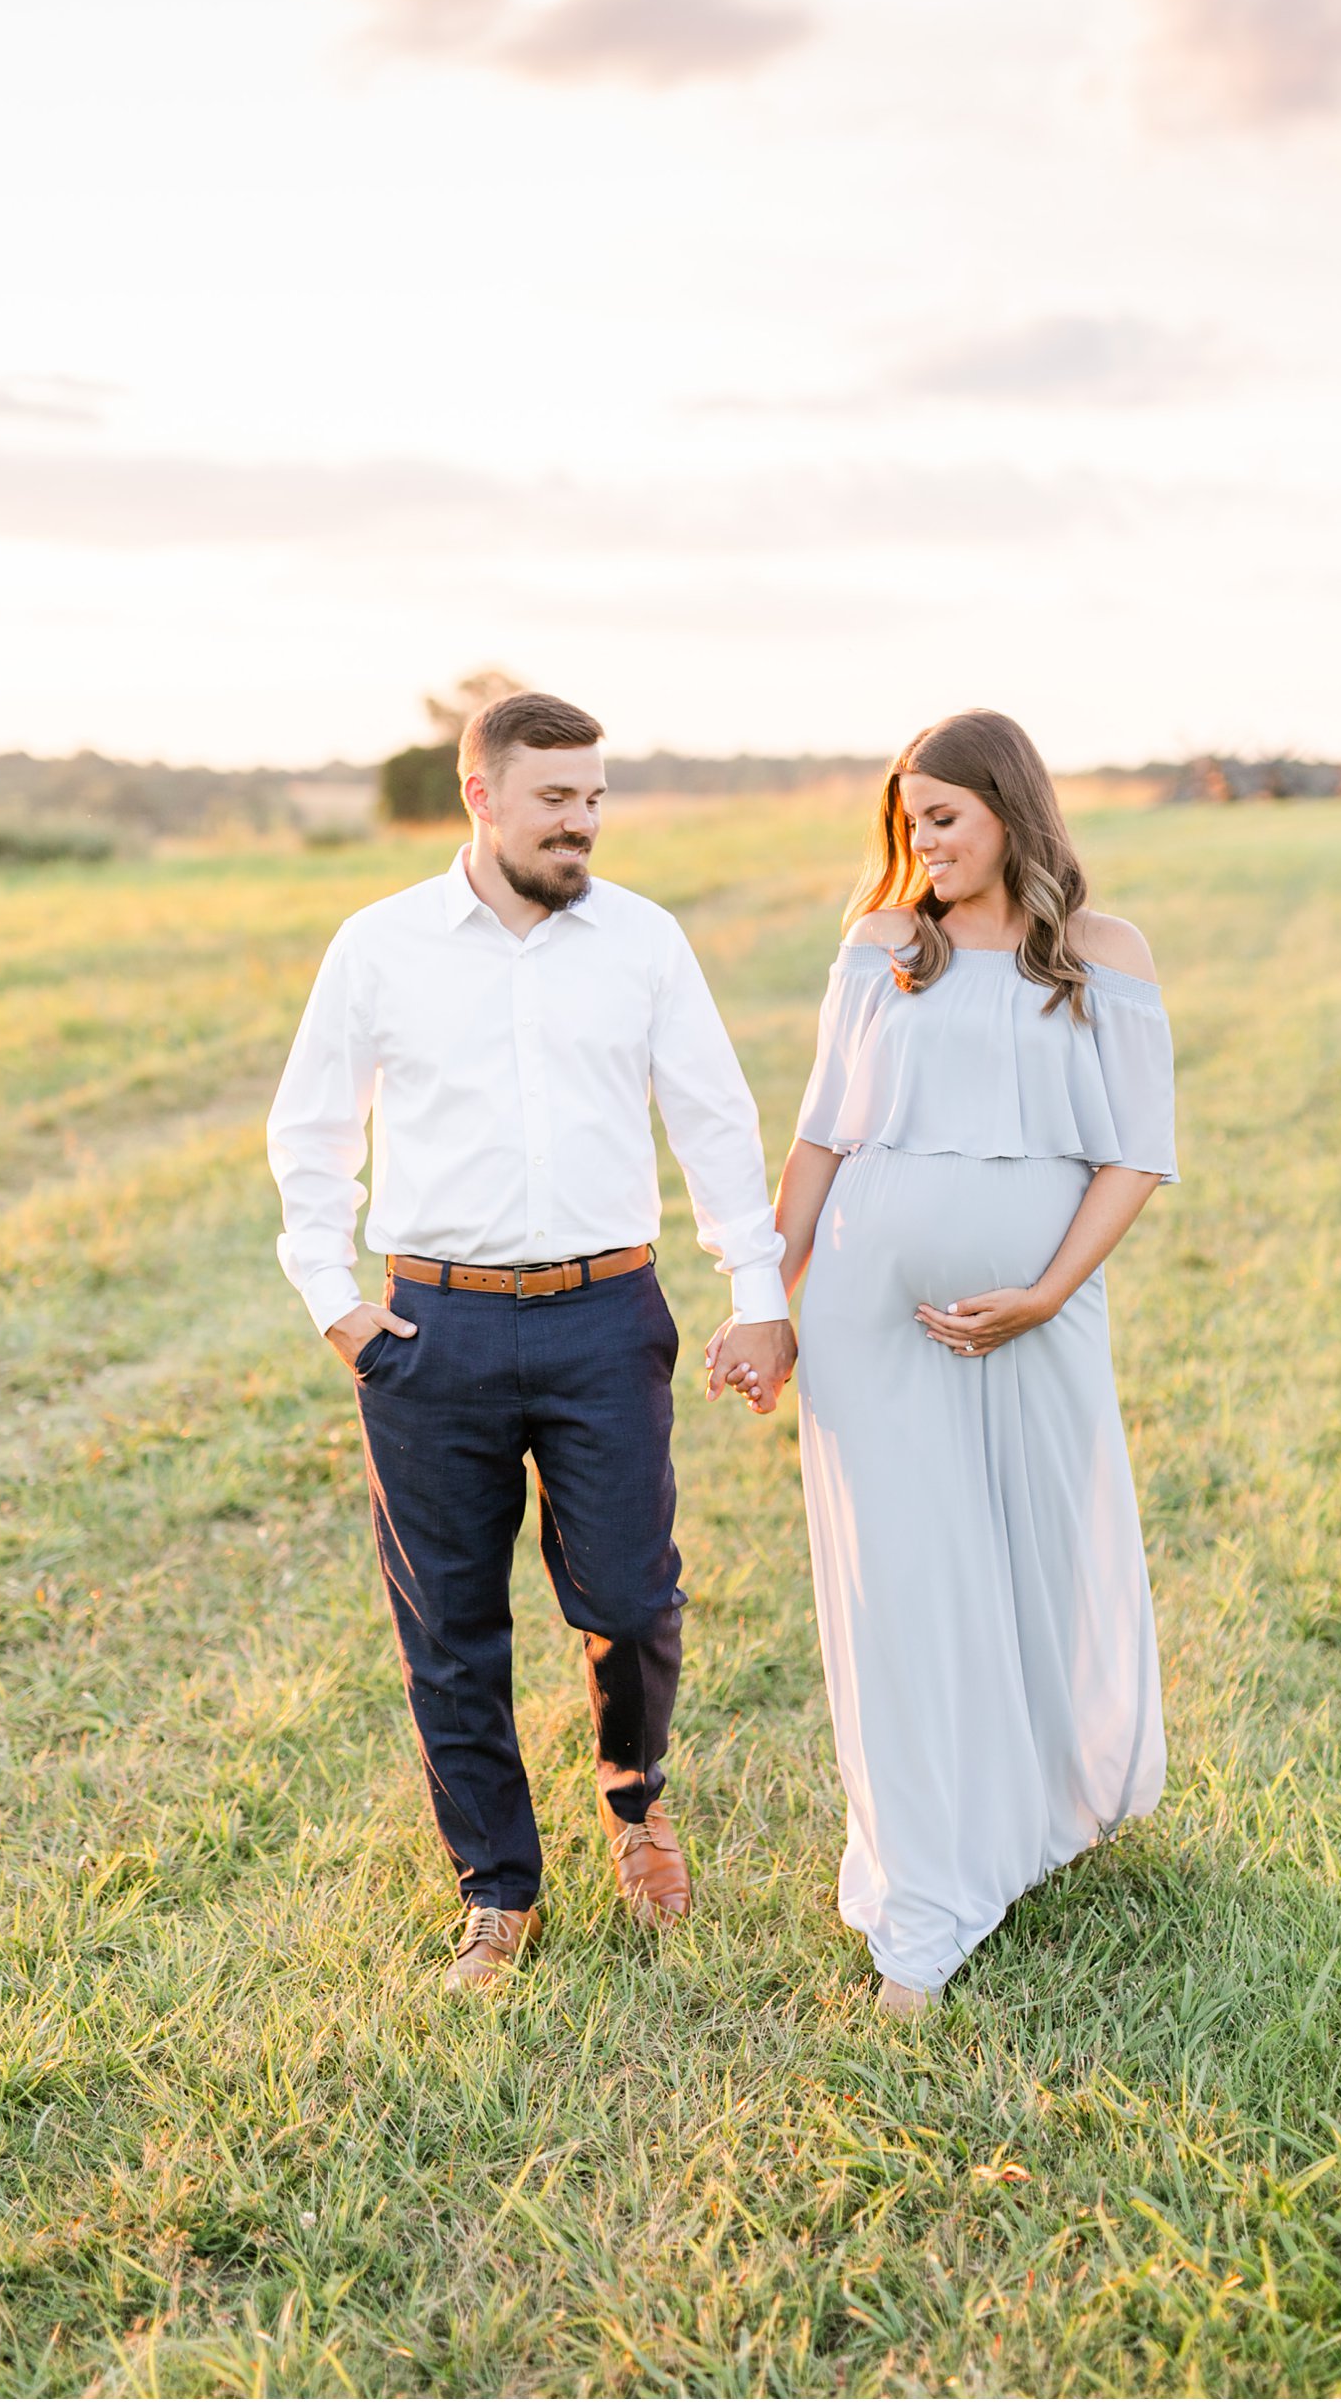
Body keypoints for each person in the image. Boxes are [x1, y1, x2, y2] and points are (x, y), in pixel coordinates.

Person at [266, 691, 796, 1991]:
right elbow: (313, 1128)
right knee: (449, 1624)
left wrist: (758, 1283)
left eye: (596, 797)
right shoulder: (380, 944)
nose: (584, 822)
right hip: (427, 1327)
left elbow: (716, 1119)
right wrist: (332, 1295)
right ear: (482, 795)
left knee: (629, 1593)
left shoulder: (642, 942)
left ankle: (634, 1796)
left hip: (604, 1316)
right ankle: (497, 1889)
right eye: (557, 798)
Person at [752, 708, 1177, 2014]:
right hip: (873, 1325)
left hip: (1037, 1318)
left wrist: (1045, 1293)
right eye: (905, 820)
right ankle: (923, 1905)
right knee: (908, 1594)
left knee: (1036, 1565)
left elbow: (1133, 1153)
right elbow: (822, 1134)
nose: (918, 841)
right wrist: (765, 1296)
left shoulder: (1103, 955)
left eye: (940, 814)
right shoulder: (881, 947)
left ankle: (1026, 1817)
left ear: (1008, 804)